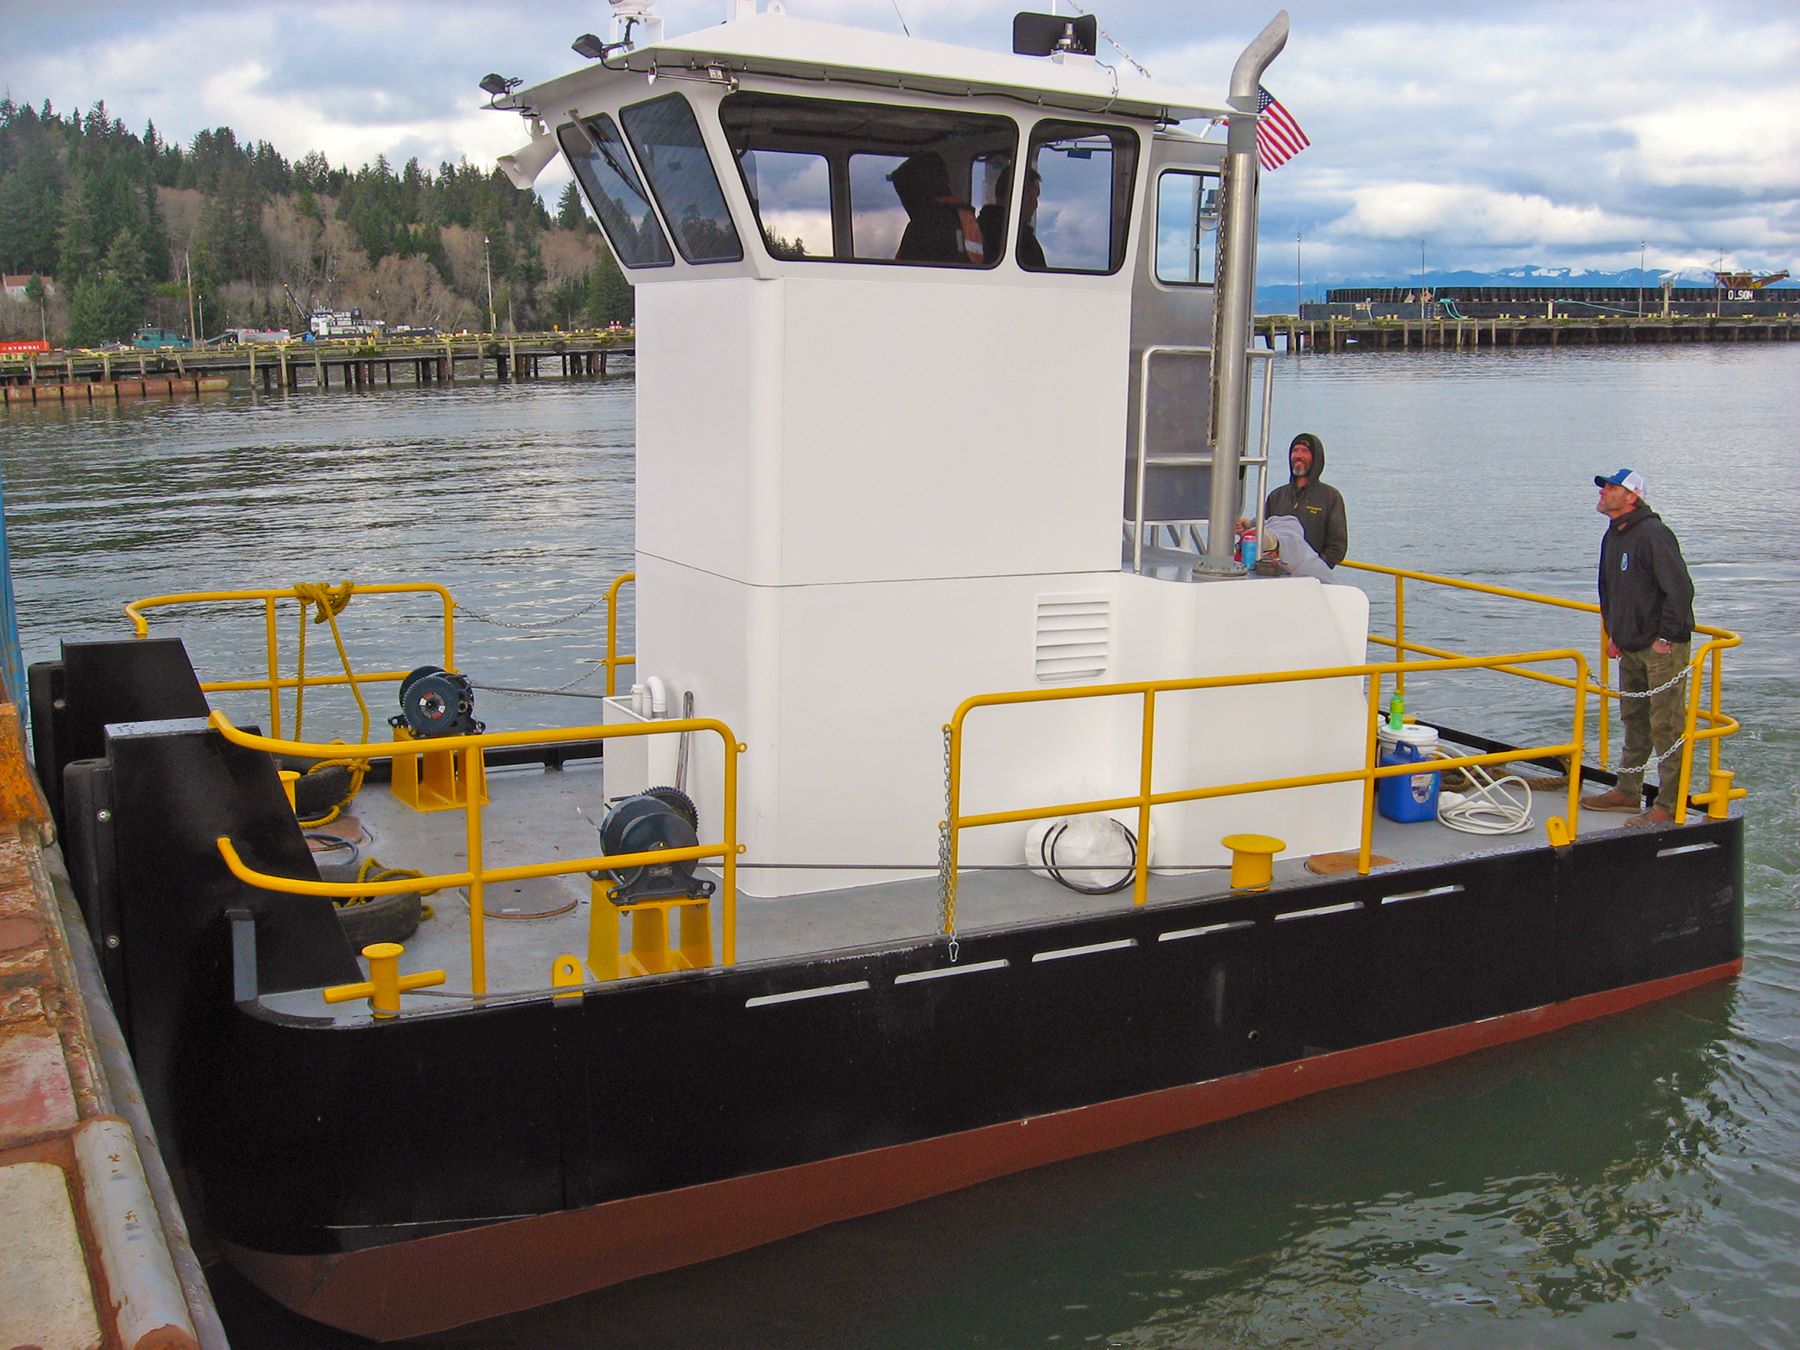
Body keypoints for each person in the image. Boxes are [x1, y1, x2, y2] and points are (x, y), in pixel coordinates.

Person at [1580, 468, 1696, 827]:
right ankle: (1627, 791)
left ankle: (1668, 803)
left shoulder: (1653, 534)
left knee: (1666, 724)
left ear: (1632, 496)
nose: (1603, 493)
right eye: (1604, 488)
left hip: (1661, 647)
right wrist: (1614, 633)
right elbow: (1609, 589)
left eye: (1611, 488)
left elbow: (1679, 589)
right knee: (1633, 719)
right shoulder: (1614, 534)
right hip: (1629, 644)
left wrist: (1665, 638)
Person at [1261, 433, 1348, 568]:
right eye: (1295, 451)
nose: (1298, 455)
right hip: (1277, 576)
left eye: (1305, 451)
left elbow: (1337, 547)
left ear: (1316, 459)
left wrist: (1315, 567)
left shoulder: (1331, 497)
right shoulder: (1276, 496)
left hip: (1311, 577)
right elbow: (1265, 535)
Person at [978, 164, 1045, 269]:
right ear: (1018, 197)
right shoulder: (1023, 241)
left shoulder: (977, 228)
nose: (1035, 205)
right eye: (1033, 198)